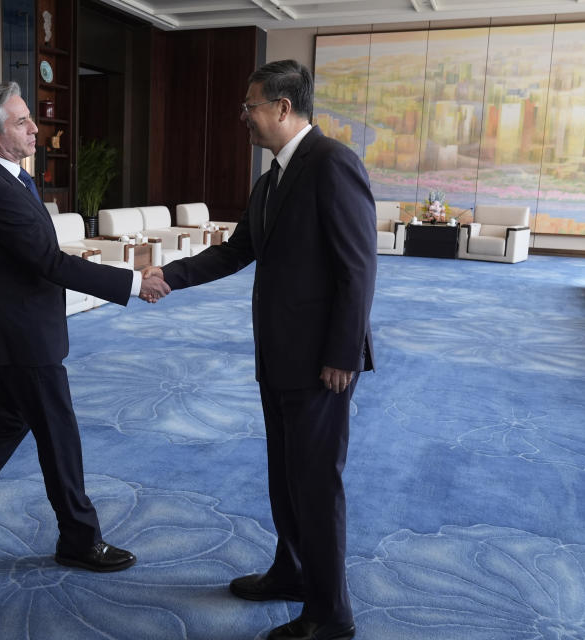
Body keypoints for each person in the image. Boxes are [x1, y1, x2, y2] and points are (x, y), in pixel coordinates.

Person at [144, 60, 377, 640]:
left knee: (317, 485)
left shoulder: (332, 164)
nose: (242, 117)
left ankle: (331, 615)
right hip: (278, 356)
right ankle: (292, 571)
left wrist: (343, 355)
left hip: (323, 363)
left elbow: (358, 269)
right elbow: (236, 251)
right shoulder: (271, 179)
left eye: (249, 106)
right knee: (286, 474)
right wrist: (168, 274)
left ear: (282, 108)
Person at [0, 81, 170, 572]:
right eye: (22, 121)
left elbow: (40, 257)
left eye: (30, 117)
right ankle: (79, 538)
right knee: (59, 436)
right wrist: (133, 283)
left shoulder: (14, 177)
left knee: (9, 423)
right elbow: (50, 261)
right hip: (23, 337)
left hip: (22, 329)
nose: (35, 128)